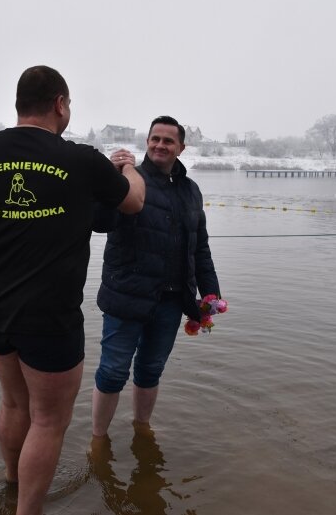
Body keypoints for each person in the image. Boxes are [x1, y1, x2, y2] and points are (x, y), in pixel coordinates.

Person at [0, 65, 145, 515]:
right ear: (60, 103)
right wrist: (130, 170)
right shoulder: (79, 158)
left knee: (15, 403)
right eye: (69, 104)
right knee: (49, 419)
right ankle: (28, 510)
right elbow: (132, 202)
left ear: (19, 104)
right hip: (49, 313)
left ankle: (10, 481)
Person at [91, 115, 220, 438]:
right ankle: (98, 439)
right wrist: (110, 175)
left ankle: (141, 429)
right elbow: (101, 220)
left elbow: (199, 247)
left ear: (181, 147)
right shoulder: (128, 180)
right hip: (126, 297)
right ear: (146, 142)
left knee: (150, 371)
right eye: (155, 139)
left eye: (168, 140)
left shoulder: (191, 191)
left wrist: (210, 295)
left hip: (172, 300)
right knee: (112, 372)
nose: (160, 145)